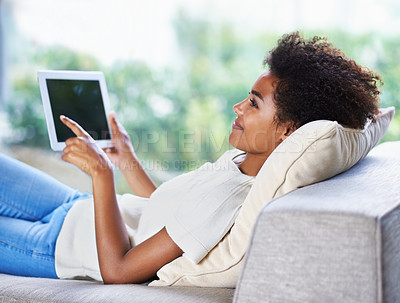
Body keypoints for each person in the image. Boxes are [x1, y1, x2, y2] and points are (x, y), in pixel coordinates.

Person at [0, 32, 382, 284]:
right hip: (74, 208)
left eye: (253, 103)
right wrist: (126, 159)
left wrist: (101, 175)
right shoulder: (239, 164)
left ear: (287, 130)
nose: (237, 107)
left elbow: (118, 270)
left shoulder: (228, 201)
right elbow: (161, 213)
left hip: (56, 247)